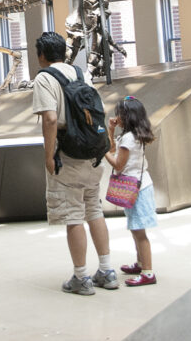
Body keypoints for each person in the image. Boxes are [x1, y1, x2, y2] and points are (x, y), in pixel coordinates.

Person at [31, 31, 117, 295]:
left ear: (42, 55)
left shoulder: (45, 78)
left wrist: (48, 156)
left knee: (73, 215)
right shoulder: (81, 74)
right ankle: (106, 270)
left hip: (68, 155)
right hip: (92, 153)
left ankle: (81, 277)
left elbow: (49, 119)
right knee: (94, 209)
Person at [104, 96, 158, 286]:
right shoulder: (134, 135)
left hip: (136, 189)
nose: (116, 117)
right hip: (140, 186)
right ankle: (141, 263)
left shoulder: (128, 138)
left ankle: (148, 272)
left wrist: (103, 152)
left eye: (119, 113)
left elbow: (118, 165)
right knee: (136, 229)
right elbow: (114, 148)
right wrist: (110, 131)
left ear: (127, 116)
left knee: (139, 232)